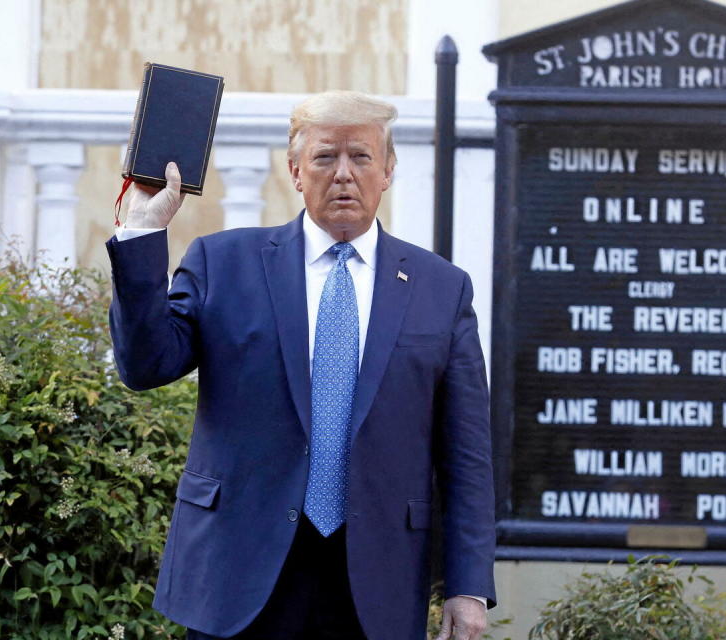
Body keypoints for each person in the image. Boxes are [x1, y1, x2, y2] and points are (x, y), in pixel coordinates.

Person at [105, 90, 496, 640]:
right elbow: (145, 364)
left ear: (387, 171)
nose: (343, 174)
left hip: (377, 578)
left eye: (360, 157)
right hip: (238, 571)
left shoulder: (441, 289)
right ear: (294, 171)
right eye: (324, 157)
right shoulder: (224, 263)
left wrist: (467, 585)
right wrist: (144, 231)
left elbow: (467, 455)